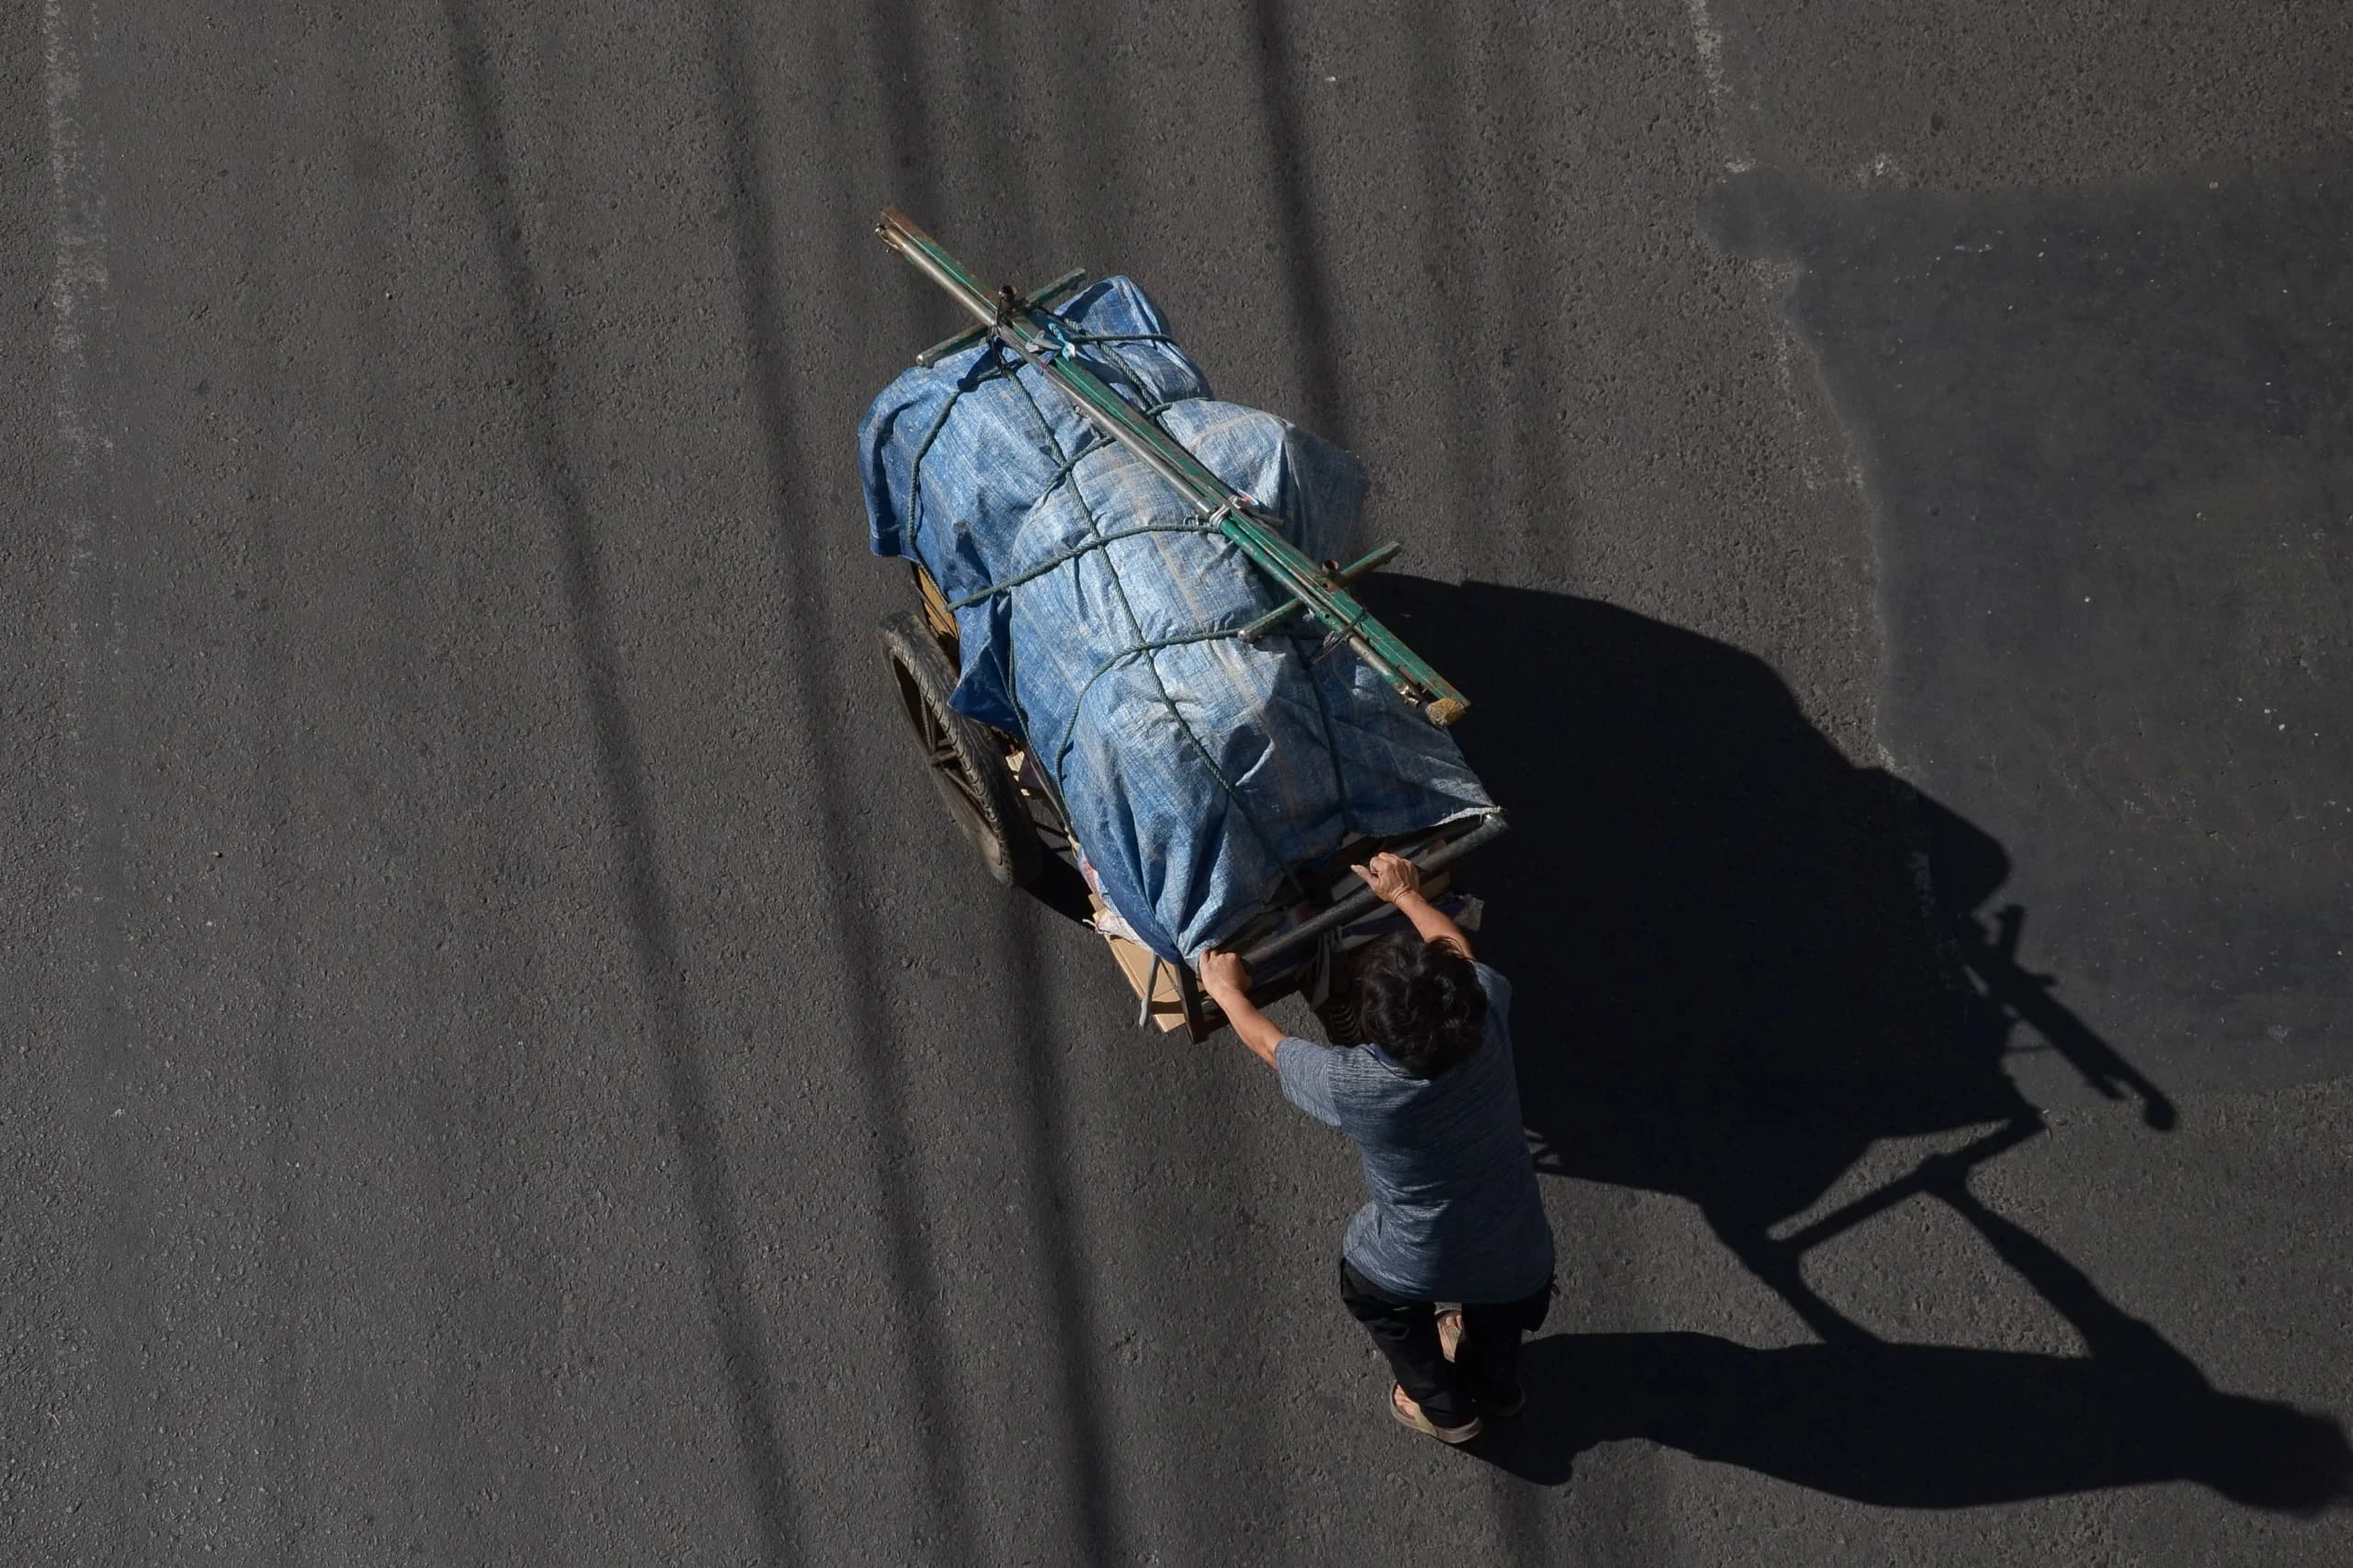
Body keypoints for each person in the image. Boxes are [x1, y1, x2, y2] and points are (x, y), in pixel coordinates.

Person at [1199, 852, 1556, 1445]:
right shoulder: (1486, 1014)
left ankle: (1443, 1408)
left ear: (1377, 1033)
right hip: (1520, 1255)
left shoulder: (1357, 1084)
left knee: (1377, 1298)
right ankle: (1498, 1388)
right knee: (1501, 1316)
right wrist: (1406, 895)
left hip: (1411, 1261)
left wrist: (1228, 991)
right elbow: (1457, 950)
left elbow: (1270, 1046)